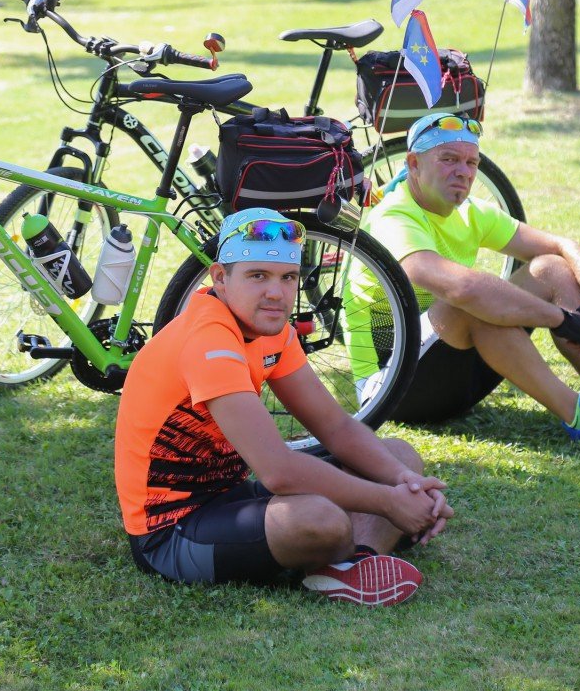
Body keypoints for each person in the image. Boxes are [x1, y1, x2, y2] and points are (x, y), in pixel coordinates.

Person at [114, 208, 454, 606]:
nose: (276, 293)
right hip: (170, 530)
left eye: (287, 277)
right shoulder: (207, 339)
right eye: (258, 276)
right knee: (319, 519)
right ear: (220, 277)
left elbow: (336, 427)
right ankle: (350, 551)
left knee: (399, 456)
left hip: (232, 495)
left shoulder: (270, 327)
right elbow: (279, 471)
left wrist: (402, 482)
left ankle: (353, 562)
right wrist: (388, 502)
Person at [357, 113, 580, 449]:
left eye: (471, 163)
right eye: (449, 159)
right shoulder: (393, 217)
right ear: (413, 163)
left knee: (550, 267)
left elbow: (562, 247)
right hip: (392, 390)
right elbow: (464, 289)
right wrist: (560, 319)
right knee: (474, 303)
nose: (463, 172)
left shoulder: (472, 213)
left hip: (453, 379)